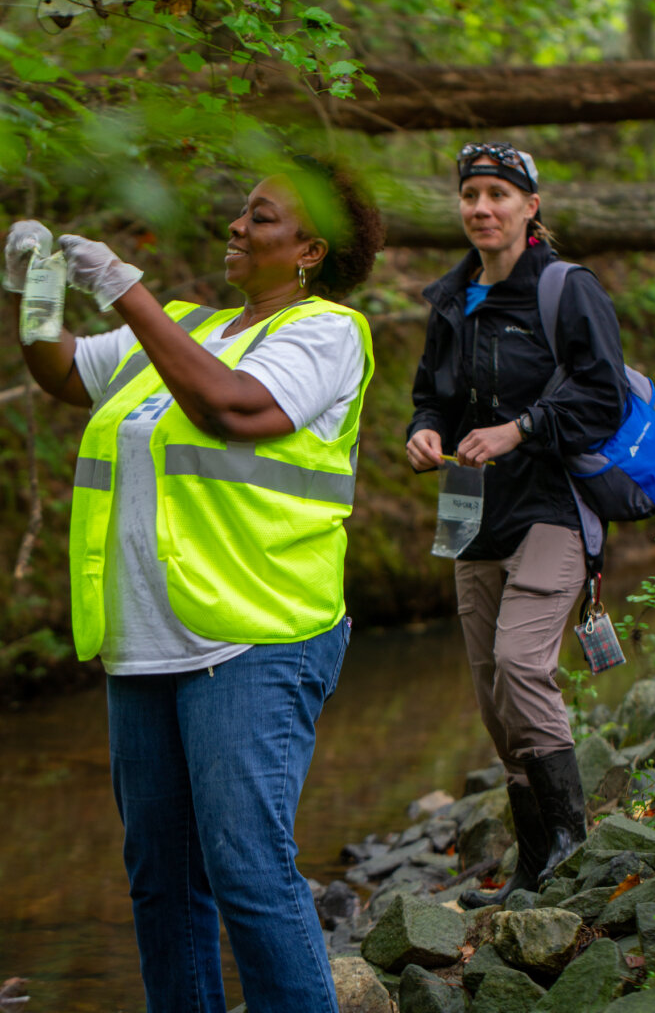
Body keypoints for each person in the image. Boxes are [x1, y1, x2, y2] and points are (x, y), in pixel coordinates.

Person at [4, 156, 384, 1012]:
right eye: (240, 213)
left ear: (308, 251)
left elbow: (233, 408)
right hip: (144, 640)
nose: (237, 227)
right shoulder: (183, 327)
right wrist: (34, 293)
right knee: (160, 881)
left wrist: (125, 289)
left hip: (255, 633)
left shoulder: (326, 332)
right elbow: (63, 372)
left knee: (246, 867)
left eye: (260, 217)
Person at [405, 142, 628, 908]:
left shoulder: (566, 290)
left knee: (520, 664)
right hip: (472, 514)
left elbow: (603, 399)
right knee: (491, 690)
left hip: (554, 506)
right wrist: (424, 432)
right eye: (470, 193)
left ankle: (570, 837)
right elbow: (430, 396)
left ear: (530, 207)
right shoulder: (453, 299)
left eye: (499, 193)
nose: (481, 208)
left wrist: (521, 428)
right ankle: (534, 862)